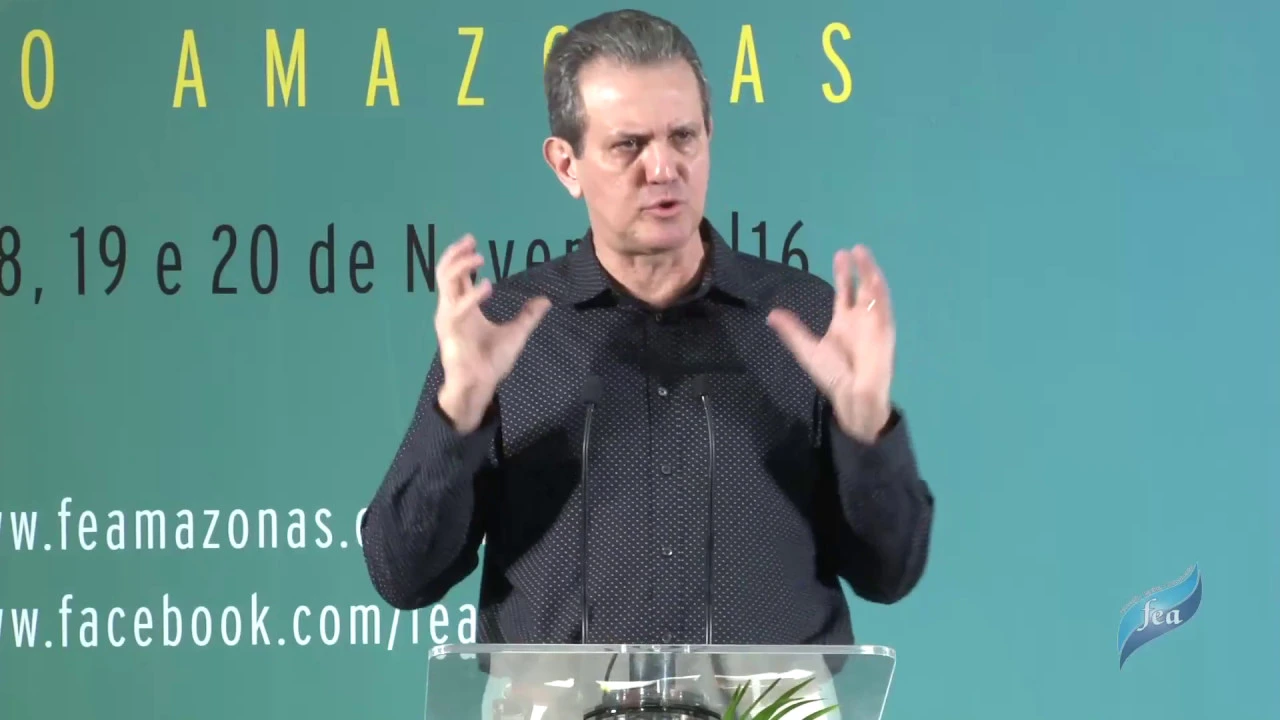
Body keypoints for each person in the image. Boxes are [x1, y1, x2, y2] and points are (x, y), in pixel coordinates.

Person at [361, 7, 933, 659]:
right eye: (628, 145)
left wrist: (866, 427)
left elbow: (891, 574)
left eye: (683, 137)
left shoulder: (806, 321)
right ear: (566, 164)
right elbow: (402, 576)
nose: (663, 168)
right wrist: (460, 410)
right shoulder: (504, 334)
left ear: (709, 136)